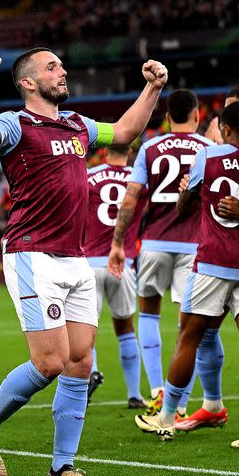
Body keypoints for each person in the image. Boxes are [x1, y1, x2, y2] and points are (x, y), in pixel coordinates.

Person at [0, 47, 167, 476]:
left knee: (79, 362)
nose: (63, 71)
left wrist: (152, 88)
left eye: (61, 65)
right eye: (52, 67)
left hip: (76, 258)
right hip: (32, 254)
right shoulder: (16, 124)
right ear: (29, 83)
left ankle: (62, 467)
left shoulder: (78, 126)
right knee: (50, 361)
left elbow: (128, 130)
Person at [134, 102, 239, 448]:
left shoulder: (208, 157)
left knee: (189, 337)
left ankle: (166, 417)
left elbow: (184, 205)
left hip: (211, 260)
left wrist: (186, 193)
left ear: (224, 129)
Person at [109, 89, 222, 423]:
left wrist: (118, 243)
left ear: (168, 116)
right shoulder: (209, 149)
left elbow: (130, 201)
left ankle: (158, 389)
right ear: (198, 115)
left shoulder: (150, 148)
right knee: (188, 326)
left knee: (148, 314)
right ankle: (181, 401)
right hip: (196, 246)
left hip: (155, 243)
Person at [83, 144, 144, 408]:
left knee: (86, 329)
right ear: (130, 153)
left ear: (106, 152)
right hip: (123, 262)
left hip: (89, 262)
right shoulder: (139, 179)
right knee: (125, 327)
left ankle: (92, 370)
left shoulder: (89, 177)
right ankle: (134, 395)